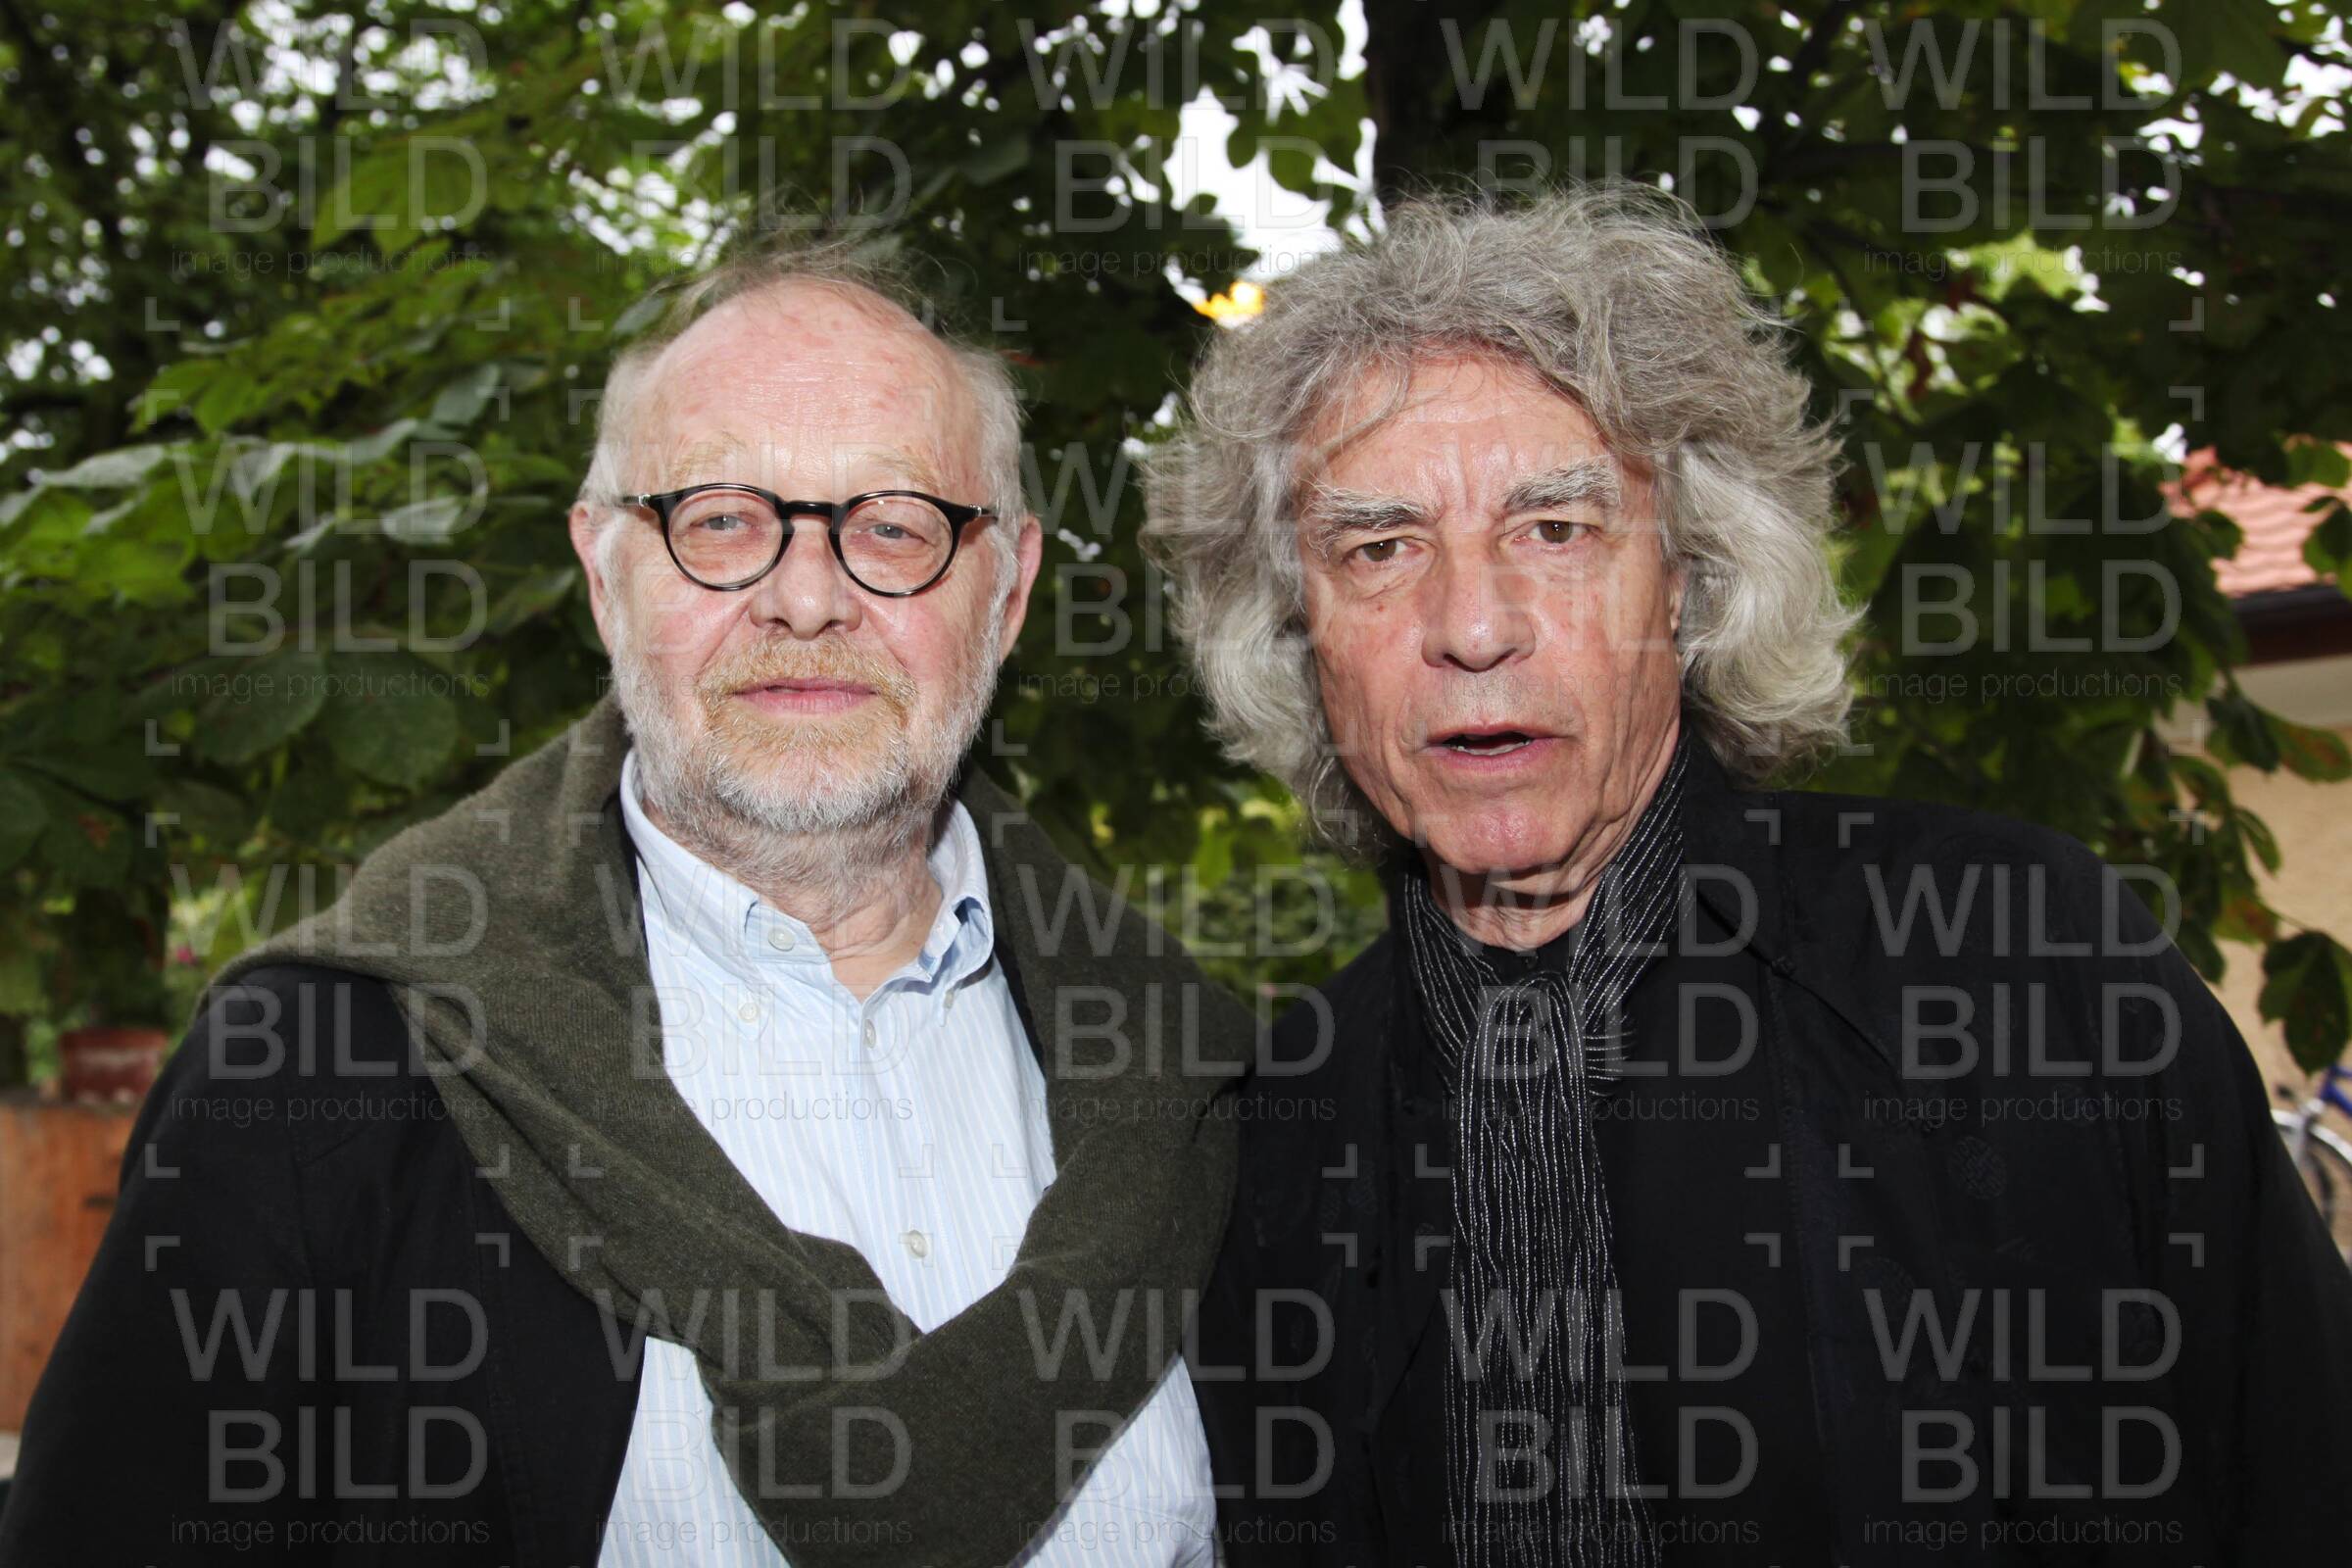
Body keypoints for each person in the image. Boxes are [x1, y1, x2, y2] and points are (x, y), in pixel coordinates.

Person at [1143, 183, 2352, 1567]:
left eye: (1556, 529)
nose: (1472, 624)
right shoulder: (1269, 1148)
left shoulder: (2019, 965)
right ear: (1299, 634)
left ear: (1690, 577)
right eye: (1379, 548)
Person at [1, 238, 1244, 1567]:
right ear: (604, 574)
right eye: (720, 520)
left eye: (894, 524)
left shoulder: (1210, 1083)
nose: (806, 599)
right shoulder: (317, 1072)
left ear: (1008, 591)